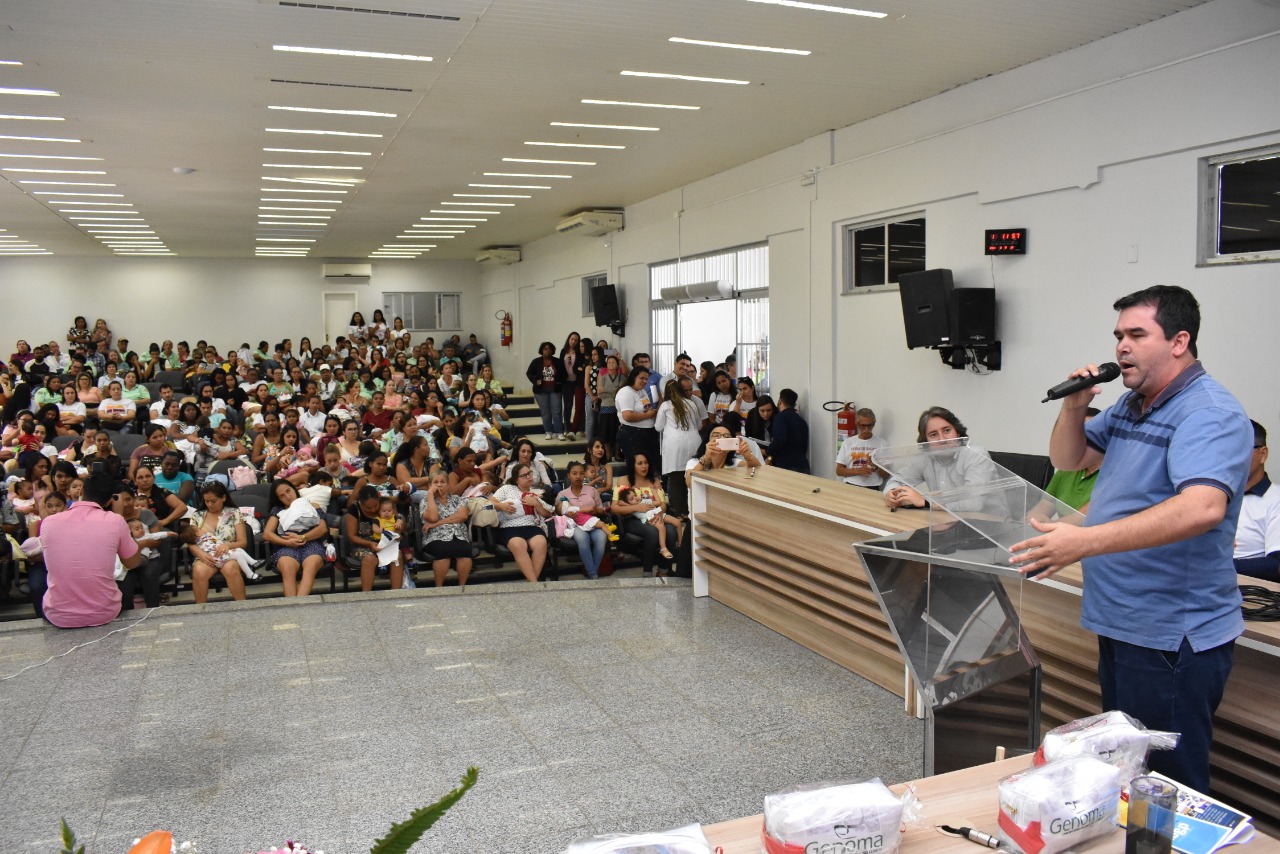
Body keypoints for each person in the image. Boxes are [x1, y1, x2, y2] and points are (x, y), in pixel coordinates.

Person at [1008, 285, 1251, 793]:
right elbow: (1069, 460)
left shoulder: (1207, 413)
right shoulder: (1130, 405)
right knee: (1128, 768)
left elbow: (1202, 507)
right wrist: (1074, 407)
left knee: (1166, 783)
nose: (1121, 347)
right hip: (1122, 620)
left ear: (1180, 341)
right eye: (1119, 335)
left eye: (1137, 334)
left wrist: (1084, 541)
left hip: (1169, 633)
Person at [37, 472, 142, 627]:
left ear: (81, 491)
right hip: (104, 612)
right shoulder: (115, 520)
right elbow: (133, 562)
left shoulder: (49, 522)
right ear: (109, 500)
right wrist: (118, 516)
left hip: (58, 614)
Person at [882, 407, 1002, 515]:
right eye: (934, 435)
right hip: (946, 522)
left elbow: (974, 503)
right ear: (926, 442)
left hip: (990, 525)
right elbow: (896, 480)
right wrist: (892, 494)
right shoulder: (926, 458)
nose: (942, 439)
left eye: (947, 430)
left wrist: (925, 501)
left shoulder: (977, 455)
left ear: (957, 432)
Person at [186, 481, 257, 602]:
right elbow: (190, 543)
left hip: (230, 554)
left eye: (213, 501)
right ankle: (200, 611)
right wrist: (202, 555)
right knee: (199, 570)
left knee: (230, 568)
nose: (209, 505)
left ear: (223, 497)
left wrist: (228, 545)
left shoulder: (234, 513)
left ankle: (243, 607)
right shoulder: (197, 515)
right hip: (206, 555)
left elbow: (242, 542)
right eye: (206, 501)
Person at [614, 451, 680, 576]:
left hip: (655, 515)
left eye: (646, 463)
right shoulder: (624, 481)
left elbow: (663, 504)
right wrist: (637, 507)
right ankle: (647, 572)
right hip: (632, 519)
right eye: (640, 463)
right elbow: (614, 508)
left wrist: (659, 513)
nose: (644, 466)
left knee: (671, 531)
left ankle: (664, 570)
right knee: (652, 532)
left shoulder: (655, 481)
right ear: (632, 466)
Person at [263, 478, 330, 597]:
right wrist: (286, 542)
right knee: (287, 567)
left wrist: (302, 537)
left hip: (311, 543)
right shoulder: (278, 511)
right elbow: (267, 534)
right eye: (282, 495)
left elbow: (322, 528)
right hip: (287, 545)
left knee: (311, 565)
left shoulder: (311, 505)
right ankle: (293, 606)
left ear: (294, 489)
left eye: (288, 491)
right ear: (278, 499)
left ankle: (299, 605)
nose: (288, 497)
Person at [1233, 419, 1279, 582]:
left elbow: (1276, 565)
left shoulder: (1275, 500)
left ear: (1263, 454)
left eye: (1242, 449)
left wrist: (1218, 566)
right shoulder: (1214, 495)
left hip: (1250, 594)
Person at [490, 463, 552, 582]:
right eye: (524, 475)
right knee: (519, 545)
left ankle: (531, 582)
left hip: (532, 525)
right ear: (516, 479)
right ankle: (534, 583)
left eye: (529, 473)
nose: (529, 477)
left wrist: (536, 504)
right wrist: (501, 506)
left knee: (541, 543)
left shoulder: (539, 491)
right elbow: (489, 503)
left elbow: (548, 514)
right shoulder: (507, 488)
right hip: (509, 526)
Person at [419, 470, 474, 588]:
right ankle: (439, 587)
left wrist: (437, 523)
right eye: (435, 482)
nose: (439, 485)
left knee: (465, 550)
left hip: (458, 534)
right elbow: (433, 517)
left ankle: (462, 587)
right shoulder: (425, 501)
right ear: (430, 485)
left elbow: (462, 516)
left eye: (442, 482)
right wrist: (430, 495)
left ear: (448, 485)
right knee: (443, 551)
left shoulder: (458, 499)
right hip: (435, 537)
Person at [556, 461, 608, 579]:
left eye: (581, 473)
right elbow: (558, 513)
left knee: (601, 537)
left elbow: (602, 510)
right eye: (574, 473)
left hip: (593, 521)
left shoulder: (592, 491)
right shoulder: (562, 494)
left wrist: (595, 511)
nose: (578, 476)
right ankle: (593, 574)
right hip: (575, 525)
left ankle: (591, 571)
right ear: (568, 475)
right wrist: (568, 513)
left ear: (584, 475)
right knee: (583, 538)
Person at [835, 407, 887, 489]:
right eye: (863, 426)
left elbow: (886, 474)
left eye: (870, 425)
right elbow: (839, 471)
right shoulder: (848, 443)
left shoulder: (882, 444)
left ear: (874, 423)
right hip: (851, 486)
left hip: (872, 487)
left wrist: (876, 466)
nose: (867, 429)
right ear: (857, 424)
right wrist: (858, 471)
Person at [526, 341, 566, 440]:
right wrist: (535, 381)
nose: (547, 351)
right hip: (541, 391)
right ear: (542, 350)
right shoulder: (536, 361)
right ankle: (548, 431)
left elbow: (564, 374)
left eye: (549, 349)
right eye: (545, 349)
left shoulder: (557, 361)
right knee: (545, 412)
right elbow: (529, 373)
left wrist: (559, 382)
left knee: (556, 411)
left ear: (552, 350)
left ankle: (559, 432)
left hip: (555, 390)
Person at [768, 388, 810, 474]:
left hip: (787, 467)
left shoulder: (781, 417)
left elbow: (780, 439)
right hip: (803, 466)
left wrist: (769, 451)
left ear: (780, 401)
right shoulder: (802, 421)